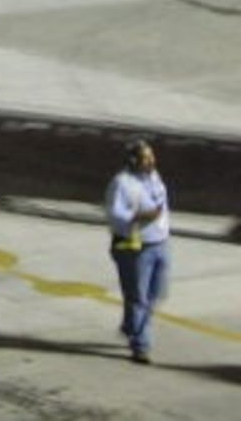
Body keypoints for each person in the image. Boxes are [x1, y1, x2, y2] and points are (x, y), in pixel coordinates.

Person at [106, 138, 171, 363]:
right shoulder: (121, 183)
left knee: (157, 292)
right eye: (146, 157)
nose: (152, 160)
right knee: (138, 297)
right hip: (136, 248)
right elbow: (115, 217)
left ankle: (130, 325)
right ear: (134, 160)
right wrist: (139, 218)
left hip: (160, 243)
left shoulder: (154, 177)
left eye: (152, 156)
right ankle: (140, 345)